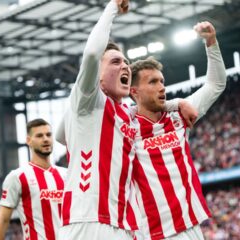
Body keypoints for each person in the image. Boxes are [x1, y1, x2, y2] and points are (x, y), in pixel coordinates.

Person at [55, 0, 196, 238]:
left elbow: (61, 135)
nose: (125, 67)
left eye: (126, 62)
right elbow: (91, 53)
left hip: (121, 224)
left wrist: (177, 103)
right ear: (96, 78)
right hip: (87, 221)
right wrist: (112, 8)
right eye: (115, 62)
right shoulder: (90, 99)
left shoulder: (124, 112)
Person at [129, 21, 226, 239]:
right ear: (134, 91)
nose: (162, 87)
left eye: (162, 81)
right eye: (153, 82)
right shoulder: (124, 127)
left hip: (191, 226)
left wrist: (211, 42)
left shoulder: (180, 115)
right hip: (152, 233)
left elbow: (216, 84)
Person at [0, 118, 66, 240]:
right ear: (28, 140)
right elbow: (3, 220)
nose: (45, 139)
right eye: (39, 136)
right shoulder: (17, 177)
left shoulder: (66, 175)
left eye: (48, 135)